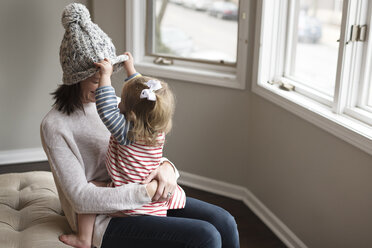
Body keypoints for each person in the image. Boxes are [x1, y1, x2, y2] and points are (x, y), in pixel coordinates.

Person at [40, 3, 239, 248]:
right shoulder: (55, 125)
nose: (106, 86)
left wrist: (168, 170)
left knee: (224, 221)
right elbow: (81, 198)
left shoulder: (117, 104)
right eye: (97, 80)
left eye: (109, 77)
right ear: (74, 80)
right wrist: (146, 192)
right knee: (206, 236)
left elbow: (144, 152)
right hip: (102, 216)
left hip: (144, 195)